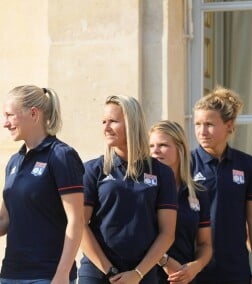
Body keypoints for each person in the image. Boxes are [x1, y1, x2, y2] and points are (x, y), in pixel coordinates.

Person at [78, 95, 177, 284]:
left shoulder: (161, 173)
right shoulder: (93, 169)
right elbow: (80, 225)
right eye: (103, 122)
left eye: (113, 121)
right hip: (97, 273)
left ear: (132, 123)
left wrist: (138, 274)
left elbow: (167, 234)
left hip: (142, 274)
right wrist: (109, 271)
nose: (106, 128)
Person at [0, 85, 84, 284]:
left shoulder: (61, 156)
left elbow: (76, 220)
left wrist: (62, 274)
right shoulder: (14, 161)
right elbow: (5, 220)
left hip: (47, 275)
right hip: (11, 274)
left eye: (10, 115)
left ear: (34, 114)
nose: (5, 123)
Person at [190, 86, 252, 284]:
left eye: (209, 124)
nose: (202, 131)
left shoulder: (248, 165)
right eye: (197, 124)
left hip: (235, 270)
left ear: (229, 125)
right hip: (193, 269)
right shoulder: (185, 164)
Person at [149, 120, 212, 284]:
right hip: (147, 277)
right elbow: (138, 236)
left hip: (184, 279)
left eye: (162, 145)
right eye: (151, 146)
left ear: (181, 149)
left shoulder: (198, 193)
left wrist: (195, 267)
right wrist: (164, 260)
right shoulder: (143, 190)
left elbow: (205, 244)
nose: (155, 151)